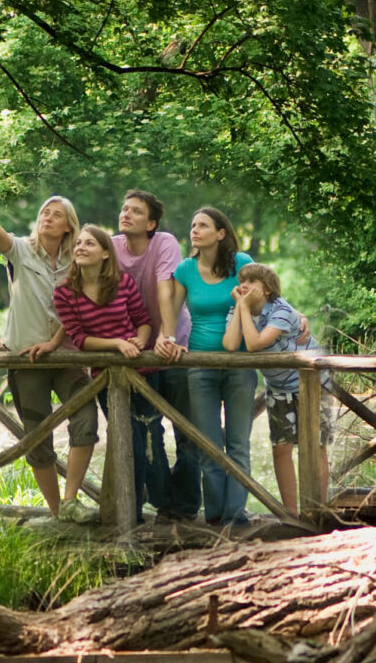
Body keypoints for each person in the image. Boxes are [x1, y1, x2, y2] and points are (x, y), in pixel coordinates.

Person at [0, 183, 80, 515]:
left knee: (85, 422)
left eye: (57, 215)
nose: (48, 217)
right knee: (37, 441)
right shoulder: (21, 250)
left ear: (68, 225)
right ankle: (58, 514)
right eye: (45, 212)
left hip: (70, 356)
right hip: (27, 359)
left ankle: (72, 502)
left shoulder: (77, 260)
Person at [33, 225, 154, 524]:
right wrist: (116, 343)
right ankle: (127, 514)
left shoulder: (123, 282)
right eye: (79, 244)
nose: (81, 247)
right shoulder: (64, 292)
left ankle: (155, 505)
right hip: (104, 377)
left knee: (150, 440)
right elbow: (79, 339)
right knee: (123, 440)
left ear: (104, 253)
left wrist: (139, 339)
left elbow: (143, 321)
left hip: (141, 371)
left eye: (90, 244)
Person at [112, 188, 200, 521]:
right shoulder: (113, 247)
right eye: (124, 208)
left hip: (174, 344)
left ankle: (187, 508)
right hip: (135, 352)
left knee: (186, 429)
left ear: (151, 223)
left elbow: (166, 287)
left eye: (135, 211)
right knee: (144, 431)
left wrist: (166, 334)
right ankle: (153, 503)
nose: (126, 214)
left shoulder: (164, 242)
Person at [225, 263, 335, 513]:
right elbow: (231, 344)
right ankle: (290, 514)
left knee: (315, 445)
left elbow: (254, 344)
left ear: (266, 290)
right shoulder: (239, 309)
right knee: (281, 448)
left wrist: (242, 308)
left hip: (313, 383)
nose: (244, 286)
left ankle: (318, 511)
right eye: (242, 281)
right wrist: (242, 308)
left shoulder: (281, 311)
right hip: (278, 387)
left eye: (252, 282)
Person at [172, 206, 253, 526]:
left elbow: (267, 298)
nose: (194, 230)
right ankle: (215, 517)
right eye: (192, 225)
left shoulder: (243, 263)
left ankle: (237, 516)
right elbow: (173, 314)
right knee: (208, 445)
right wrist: (165, 338)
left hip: (240, 364)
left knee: (237, 444)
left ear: (220, 233)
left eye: (203, 225)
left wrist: (295, 318)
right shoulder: (184, 270)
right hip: (200, 365)